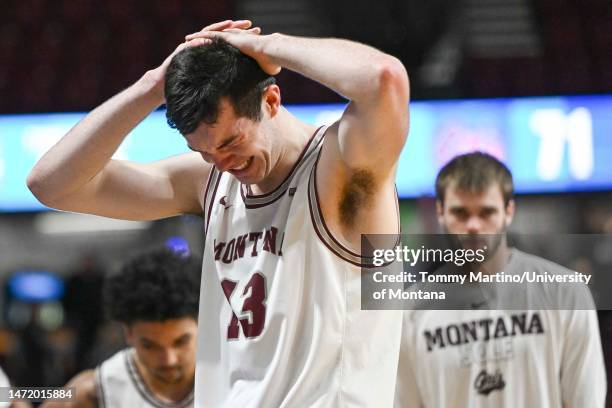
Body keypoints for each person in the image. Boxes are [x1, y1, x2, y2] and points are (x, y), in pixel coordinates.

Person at [28, 19, 410, 406]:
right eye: (205, 152)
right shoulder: (210, 181)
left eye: (231, 142)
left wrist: (271, 48)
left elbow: (383, 78)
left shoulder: (339, 170)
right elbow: (51, 184)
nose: (223, 163)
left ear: (271, 101)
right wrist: (151, 87)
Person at [394, 152, 606, 407]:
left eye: (486, 212)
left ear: (509, 211)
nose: (473, 225)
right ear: (440, 212)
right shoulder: (410, 312)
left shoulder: (565, 293)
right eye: (460, 213)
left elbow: (587, 399)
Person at [41, 248, 200, 408]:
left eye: (181, 342)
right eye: (150, 346)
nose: (169, 359)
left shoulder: (224, 376)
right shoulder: (92, 391)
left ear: (201, 326)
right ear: (128, 333)